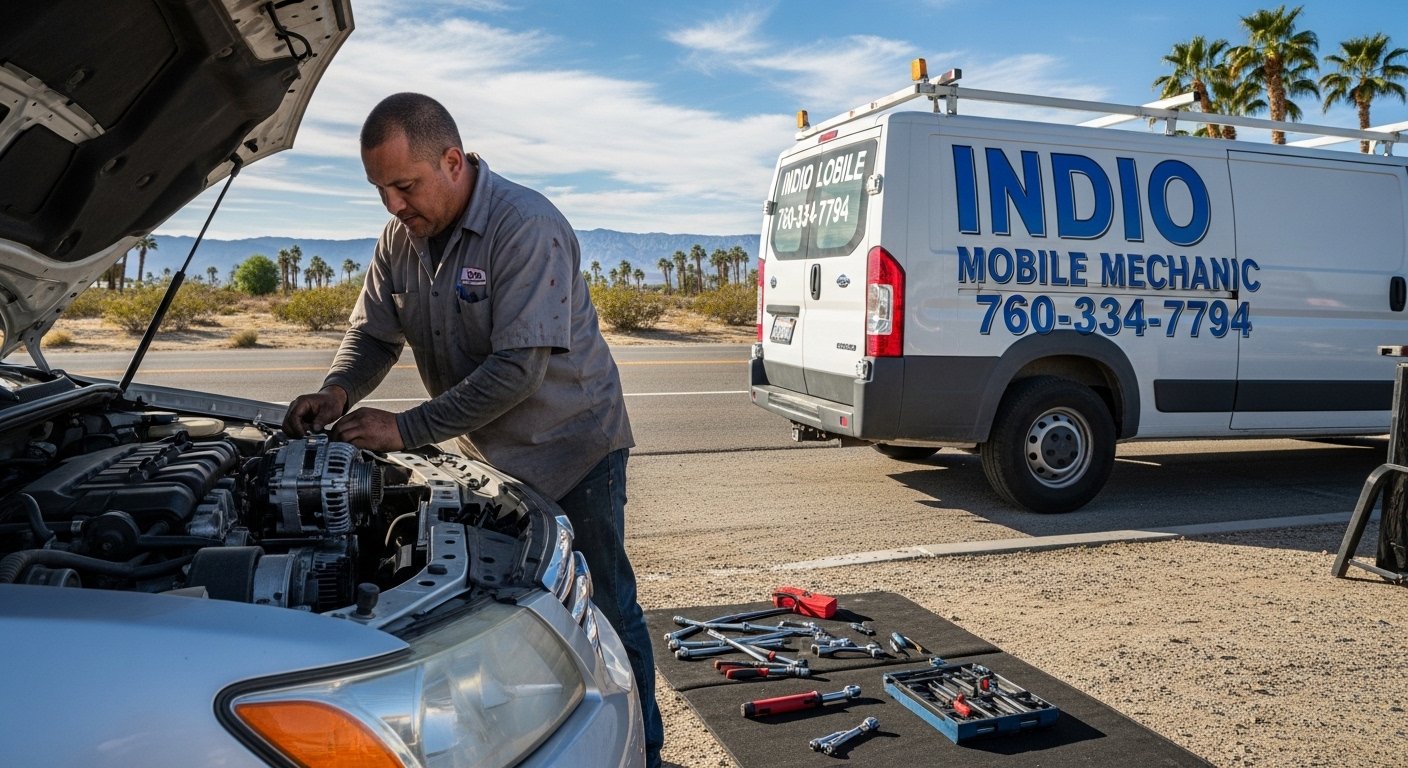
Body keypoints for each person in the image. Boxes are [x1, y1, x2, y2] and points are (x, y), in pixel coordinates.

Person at [281, 92, 663, 766]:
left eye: (405, 185)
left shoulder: (525, 227)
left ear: (452, 161)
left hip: (575, 447)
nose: (394, 205)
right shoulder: (401, 239)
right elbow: (372, 336)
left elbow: (517, 370)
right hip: (488, 454)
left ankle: (646, 751)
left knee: (605, 608)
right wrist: (338, 389)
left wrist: (407, 429)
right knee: (504, 614)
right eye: (381, 191)